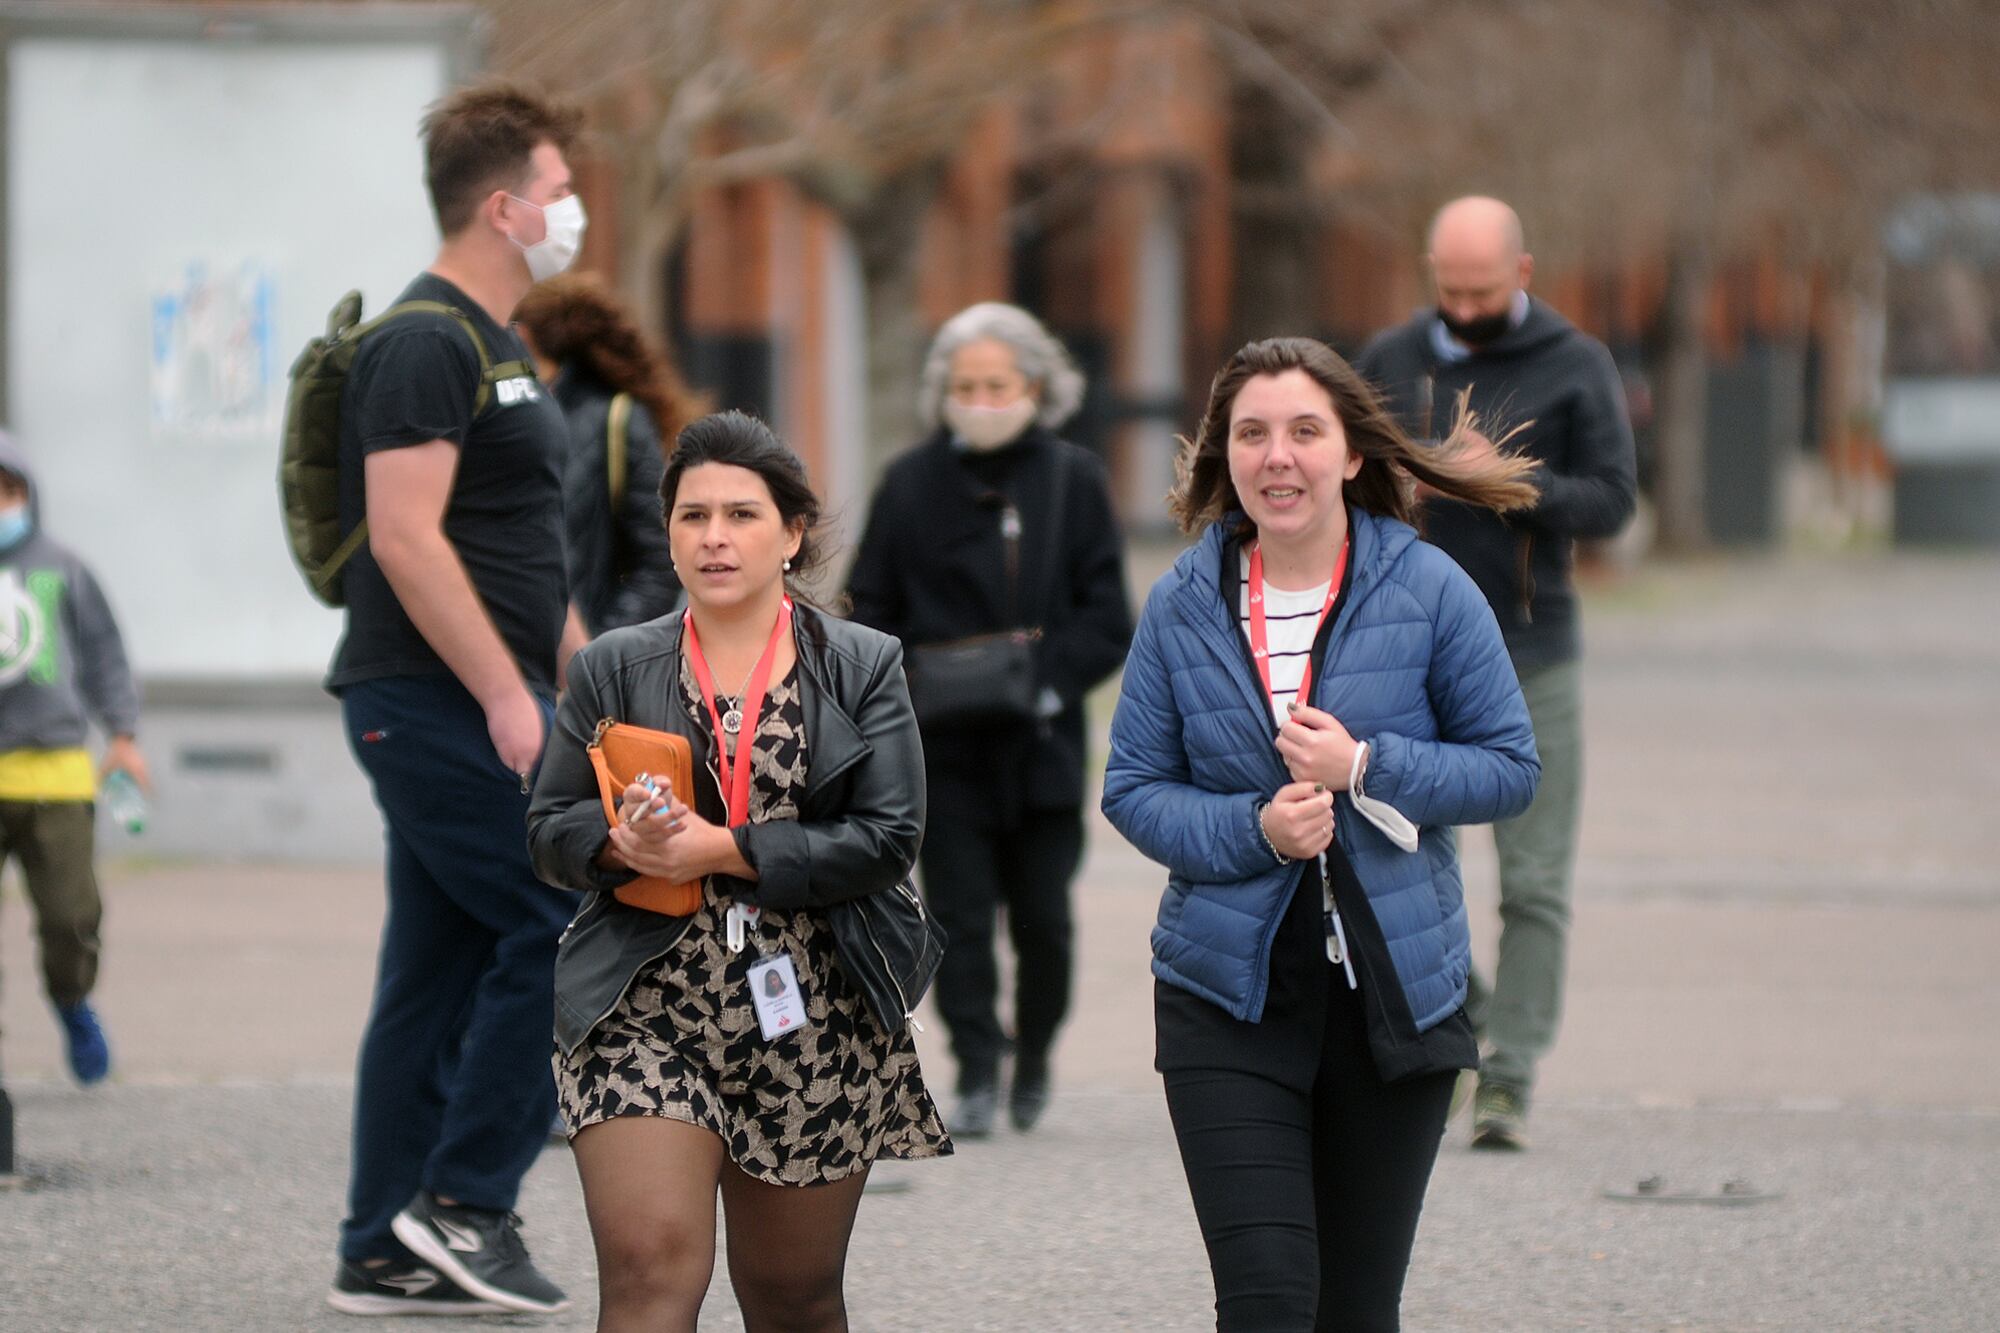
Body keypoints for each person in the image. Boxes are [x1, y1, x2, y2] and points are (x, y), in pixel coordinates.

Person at [1101, 336, 1543, 1330]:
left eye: (1304, 431)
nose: (1276, 457)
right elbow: (1130, 787)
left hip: (1392, 1000)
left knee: (1353, 1311)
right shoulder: (1181, 602)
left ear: (1349, 454)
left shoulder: (1426, 588)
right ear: (1225, 458)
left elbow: (1511, 767)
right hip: (1226, 994)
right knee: (1263, 1304)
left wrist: (1364, 768)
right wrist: (1256, 828)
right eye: (1251, 434)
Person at [528, 410, 950, 1332]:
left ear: (792, 533)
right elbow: (548, 825)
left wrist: (727, 849)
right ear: (669, 531)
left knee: (793, 1296)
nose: (715, 536)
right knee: (646, 1271)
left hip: (813, 1002)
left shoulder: (862, 665)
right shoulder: (610, 666)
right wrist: (615, 846)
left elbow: (889, 835)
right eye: (693, 515)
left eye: (742, 515)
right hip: (642, 996)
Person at [323, 83, 587, 1319]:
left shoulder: (497, 344)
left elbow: (519, 545)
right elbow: (407, 539)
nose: (570, 208)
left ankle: (381, 1247)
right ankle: (466, 1203)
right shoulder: (423, 339)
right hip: (427, 698)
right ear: (501, 205)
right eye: (554, 186)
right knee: (563, 919)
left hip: (488, 693)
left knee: (434, 969)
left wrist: (584, 684)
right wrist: (505, 697)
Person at [1355, 195, 1637, 1150]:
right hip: (1403, 645)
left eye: (1482, 289)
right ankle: (1465, 1019)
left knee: (1534, 880)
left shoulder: (1576, 363)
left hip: (1528, 649)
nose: (1464, 307)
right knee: (1389, 855)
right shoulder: (1390, 356)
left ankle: (1509, 1075)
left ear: (1523, 272)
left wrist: (1507, 481)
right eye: (1448, 288)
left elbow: (1612, 505)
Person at [846, 302, 1132, 1138]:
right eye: (964, 385)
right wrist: (907, 686)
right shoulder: (908, 482)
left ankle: (1035, 1053)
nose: (979, 398)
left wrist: (1044, 683)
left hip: (1041, 741)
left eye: (996, 384)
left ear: (1035, 387)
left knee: (1043, 916)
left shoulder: (1074, 478)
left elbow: (1107, 612)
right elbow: (872, 606)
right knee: (958, 916)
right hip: (941, 747)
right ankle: (976, 1066)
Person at [0, 434, 145, 1087]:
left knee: (71, 916)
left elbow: (105, 655)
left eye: (7, 491)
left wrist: (124, 734)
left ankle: (71, 999)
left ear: (27, 496)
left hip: (56, 773)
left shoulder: (65, 567)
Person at [514, 272, 698, 638]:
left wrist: (597, 654)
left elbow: (659, 563)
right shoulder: (508, 416)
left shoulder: (617, 421)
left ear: (526, 337)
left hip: (577, 671)